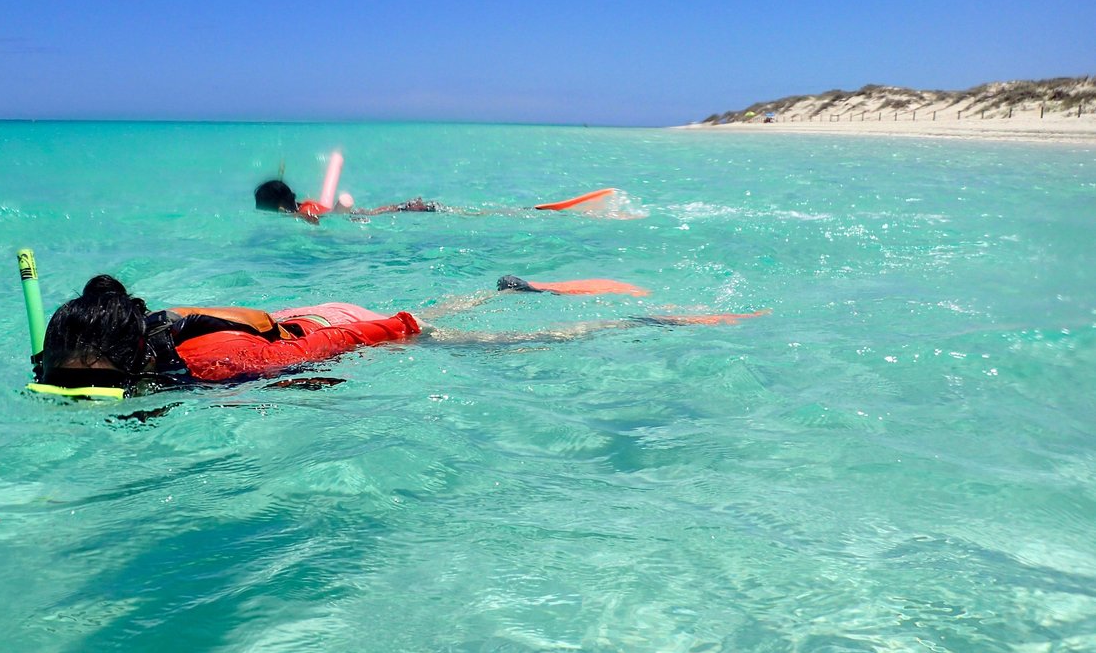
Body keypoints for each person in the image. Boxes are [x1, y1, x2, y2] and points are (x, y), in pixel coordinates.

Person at [37, 274, 767, 394]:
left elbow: (332, 352)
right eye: (62, 381)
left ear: (131, 362)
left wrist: (293, 390)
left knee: (503, 342)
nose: (75, 391)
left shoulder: (219, 364)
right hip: (303, 309)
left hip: (335, 324)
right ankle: (497, 287)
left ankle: (638, 319)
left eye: (89, 385)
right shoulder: (102, 338)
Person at [254, 178, 446, 223]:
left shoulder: (302, 211)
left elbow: (310, 218)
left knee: (377, 213)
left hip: (344, 217)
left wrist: (289, 217)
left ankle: (412, 207)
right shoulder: (304, 204)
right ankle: (411, 206)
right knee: (379, 211)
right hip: (346, 214)